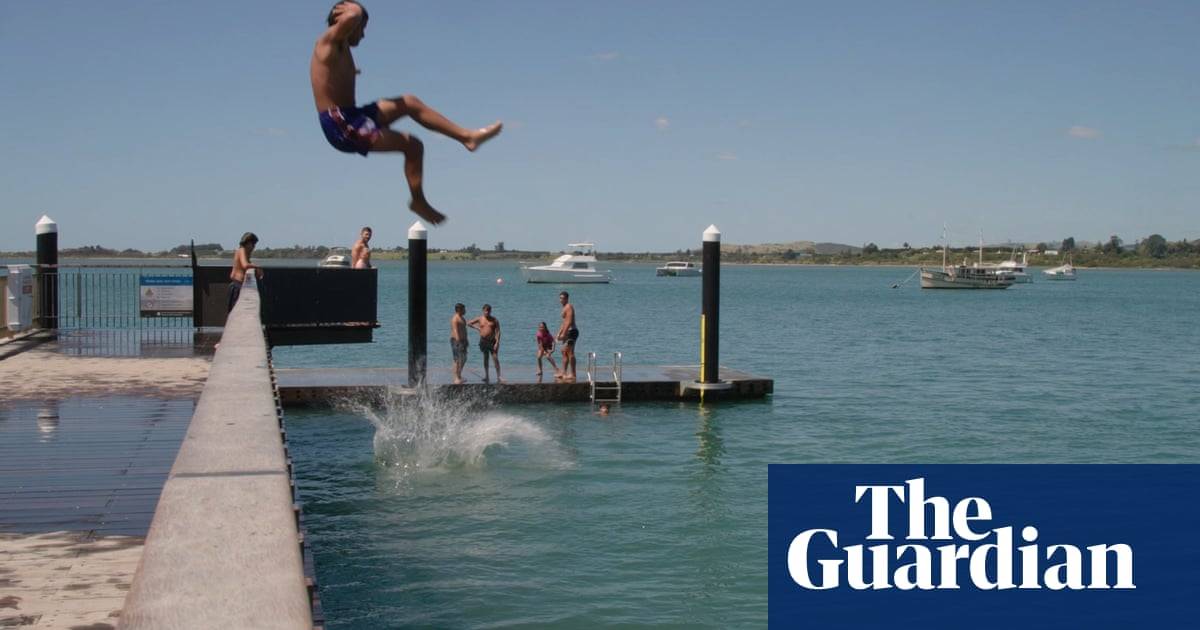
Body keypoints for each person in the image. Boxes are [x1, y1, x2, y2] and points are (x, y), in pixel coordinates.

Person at [311, 1, 503, 225]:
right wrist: (354, 10)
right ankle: (418, 201)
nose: (363, 35)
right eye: (361, 28)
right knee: (413, 145)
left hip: (352, 115)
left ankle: (467, 137)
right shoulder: (327, 43)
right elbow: (352, 16)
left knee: (409, 102)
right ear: (344, 21)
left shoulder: (341, 48)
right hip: (341, 124)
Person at [228, 232, 264, 312]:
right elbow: (245, 265)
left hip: (238, 285)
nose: (254, 247)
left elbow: (246, 264)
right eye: (253, 244)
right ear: (247, 242)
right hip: (237, 285)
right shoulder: (242, 250)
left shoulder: (243, 252)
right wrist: (257, 267)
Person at [467, 304, 502, 383]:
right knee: (485, 358)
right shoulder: (480, 319)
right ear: (483, 311)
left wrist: (497, 342)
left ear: (490, 311)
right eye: (485, 311)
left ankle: (499, 376)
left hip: (492, 341)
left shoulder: (494, 320)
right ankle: (487, 376)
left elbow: (498, 332)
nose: (487, 312)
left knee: (495, 358)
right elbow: (469, 323)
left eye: (488, 311)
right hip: (483, 341)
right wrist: (477, 328)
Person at [555, 291, 578, 381]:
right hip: (568, 332)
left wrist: (564, 334)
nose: (561, 300)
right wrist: (559, 333)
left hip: (572, 332)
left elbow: (569, 321)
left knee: (569, 352)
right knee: (564, 352)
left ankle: (573, 374)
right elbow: (564, 322)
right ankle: (563, 372)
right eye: (560, 298)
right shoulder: (564, 307)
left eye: (563, 298)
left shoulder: (569, 307)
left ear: (567, 299)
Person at [449, 303, 468, 384]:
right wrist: (458, 342)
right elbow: (456, 331)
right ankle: (456, 378)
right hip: (456, 341)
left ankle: (459, 375)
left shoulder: (462, 318)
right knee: (457, 359)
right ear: (459, 309)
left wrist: (466, 340)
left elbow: (464, 330)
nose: (465, 310)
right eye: (464, 309)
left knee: (464, 358)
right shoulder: (455, 319)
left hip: (463, 341)